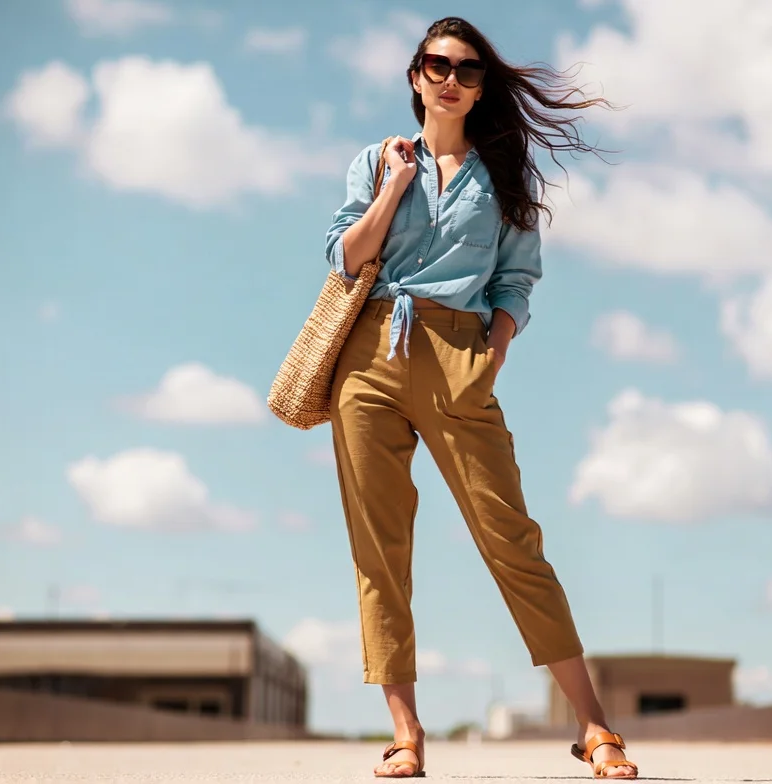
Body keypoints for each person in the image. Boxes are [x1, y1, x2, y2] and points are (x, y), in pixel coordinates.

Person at [323, 16, 638, 780]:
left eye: (468, 69)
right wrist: (395, 186)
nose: (453, 79)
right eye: (439, 65)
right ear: (414, 76)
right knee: (380, 549)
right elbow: (344, 255)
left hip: (458, 354)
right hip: (368, 353)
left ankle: (594, 726)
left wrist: (490, 355)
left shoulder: (502, 177)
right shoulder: (374, 161)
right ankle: (406, 734)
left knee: (511, 540)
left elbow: (516, 281)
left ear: (481, 84)